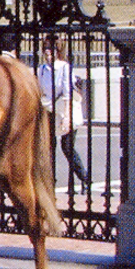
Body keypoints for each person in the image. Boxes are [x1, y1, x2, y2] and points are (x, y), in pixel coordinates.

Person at [37, 36, 88, 184]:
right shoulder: (41, 70)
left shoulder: (64, 67)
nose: (48, 53)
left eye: (51, 49)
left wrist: (67, 117)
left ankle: (84, 178)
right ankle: (50, 180)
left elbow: (67, 93)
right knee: (48, 146)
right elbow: (41, 92)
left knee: (67, 148)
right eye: (45, 50)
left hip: (66, 110)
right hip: (50, 111)